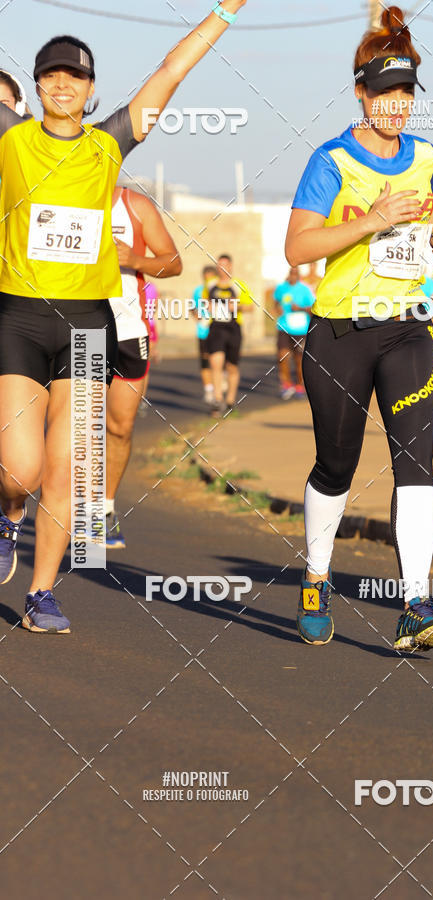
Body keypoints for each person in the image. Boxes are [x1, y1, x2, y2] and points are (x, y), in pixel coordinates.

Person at [0, 2, 247, 634]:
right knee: (20, 469)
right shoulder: (11, 137)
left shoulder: (110, 142)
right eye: (51, 75)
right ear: (34, 86)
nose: (62, 85)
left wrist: (224, 12)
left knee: (66, 469)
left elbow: (172, 70)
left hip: (87, 327)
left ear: (90, 90)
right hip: (20, 319)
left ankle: (42, 593)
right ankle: (8, 512)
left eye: (74, 77)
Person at [285, 6, 433, 650]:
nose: (395, 106)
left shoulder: (427, 155)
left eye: (406, 94)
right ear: (360, 92)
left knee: (415, 463)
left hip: (408, 327)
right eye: (384, 93)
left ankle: (415, 605)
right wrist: (370, 219)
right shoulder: (330, 160)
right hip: (339, 332)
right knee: (336, 464)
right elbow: (297, 248)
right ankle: (316, 577)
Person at [105, 186, 182, 549]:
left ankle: (102, 510)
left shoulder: (134, 205)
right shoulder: (59, 195)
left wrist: (135, 260)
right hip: (72, 327)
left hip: (127, 329)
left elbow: (173, 262)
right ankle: (18, 502)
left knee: (118, 427)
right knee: (70, 426)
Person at [205, 254, 253, 416]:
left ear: (231, 266)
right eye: (219, 265)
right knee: (216, 363)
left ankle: (230, 400)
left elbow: (250, 307)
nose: (222, 268)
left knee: (231, 366)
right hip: (216, 327)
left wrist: (237, 306)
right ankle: (218, 400)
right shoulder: (210, 284)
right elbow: (204, 302)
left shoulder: (239, 285)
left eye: (225, 265)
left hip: (233, 327)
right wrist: (207, 307)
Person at [274, 266, 314, 399]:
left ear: (299, 275)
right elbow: (275, 303)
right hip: (284, 327)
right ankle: (286, 384)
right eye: (291, 273)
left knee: (299, 358)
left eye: (296, 273)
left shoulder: (305, 289)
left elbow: (313, 308)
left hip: (300, 328)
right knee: (282, 355)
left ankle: (300, 384)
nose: (293, 275)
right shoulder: (281, 288)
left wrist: (300, 308)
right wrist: (277, 308)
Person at [193, 264, 218, 405]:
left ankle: (220, 383)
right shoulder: (198, 291)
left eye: (211, 278)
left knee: (218, 360)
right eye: (205, 278)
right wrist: (195, 314)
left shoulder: (219, 290)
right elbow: (193, 307)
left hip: (218, 330)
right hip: (203, 330)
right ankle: (209, 389)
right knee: (205, 359)